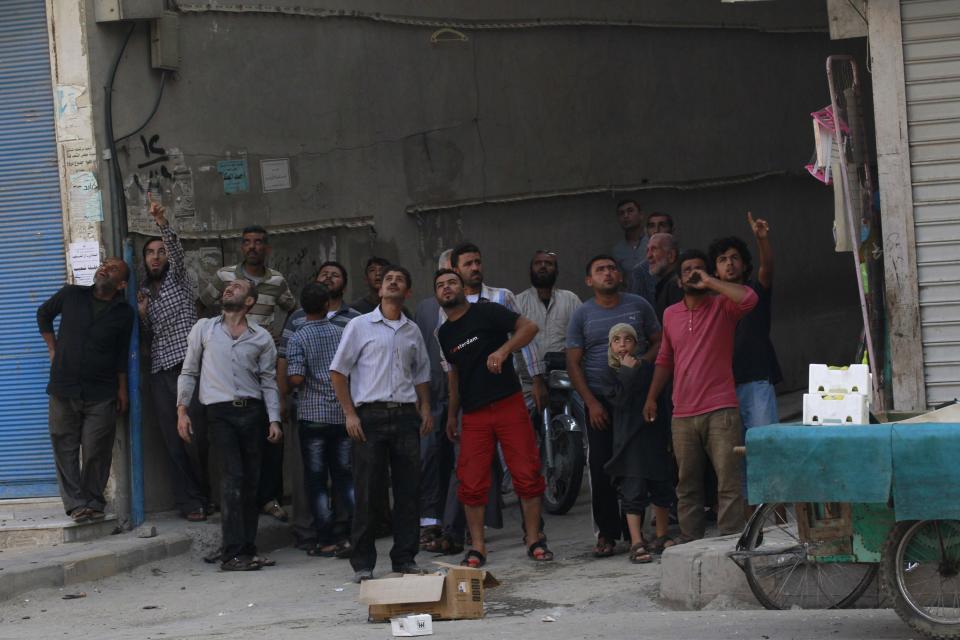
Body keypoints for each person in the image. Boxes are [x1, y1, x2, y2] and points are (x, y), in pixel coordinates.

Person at [435, 269, 553, 567]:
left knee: (526, 473)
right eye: (440, 286)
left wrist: (503, 351)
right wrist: (452, 415)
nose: (446, 288)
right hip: (473, 414)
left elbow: (529, 328)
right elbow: (454, 376)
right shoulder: (444, 334)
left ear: (463, 288)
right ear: (437, 296)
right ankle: (477, 547)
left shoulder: (487, 312)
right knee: (471, 482)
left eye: (451, 283)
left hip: (508, 404)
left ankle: (533, 538)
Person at [643, 249, 758, 541]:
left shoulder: (722, 306)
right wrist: (652, 396)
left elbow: (749, 298)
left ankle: (731, 539)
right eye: (688, 271)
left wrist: (711, 282)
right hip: (682, 413)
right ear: (679, 281)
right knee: (687, 484)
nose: (693, 274)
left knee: (728, 481)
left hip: (721, 408)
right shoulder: (670, 314)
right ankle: (690, 541)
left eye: (699, 269)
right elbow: (665, 359)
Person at [330, 265, 432, 583]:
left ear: (407, 292)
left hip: (404, 417)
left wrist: (425, 407)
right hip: (369, 418)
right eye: (388, 279)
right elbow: (338, 371)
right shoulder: (360, 326)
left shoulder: (412, 330)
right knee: (368, 492)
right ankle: (363, 563)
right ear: (379, 290)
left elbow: (421, 374)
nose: (392, 282)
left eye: (399, 280)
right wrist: (349, 414)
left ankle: (404, 558)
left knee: (407, 492)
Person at [177, 278, 283, 571]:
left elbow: (269, 381)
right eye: (227, 286)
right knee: (233, 479)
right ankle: (233, 554)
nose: (228, 288)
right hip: (219, 414)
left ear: (249, 301)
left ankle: (246, 549)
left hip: (252, 412)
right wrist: (182, 410)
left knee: (251, 483)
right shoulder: (205, 329)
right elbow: (189, 370)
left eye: (237, 287)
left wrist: (274, 418)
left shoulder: (260, 338)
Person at [566, 255, 661, 557]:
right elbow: (573, 362)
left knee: (639, 463)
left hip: (636, 401)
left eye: (611, 268)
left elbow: (660, 342)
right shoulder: (582, 314)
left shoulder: (638, 306)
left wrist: (639, 366)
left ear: (619, 275)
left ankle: (638, 531)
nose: (607, 273)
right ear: (589, 280)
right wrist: (591, 403)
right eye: (600, 270)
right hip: (601, 404)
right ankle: (606, 534)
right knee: (601, 466)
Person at [201, 225, 296, 523]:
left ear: (266, 248)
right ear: (241, 247)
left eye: (259, 243)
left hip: (263, 362)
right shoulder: (225, 277)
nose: (253, 247)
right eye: (248, 243)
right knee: (230, 437)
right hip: (229, 368)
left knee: (271, 429)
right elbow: (203, 303)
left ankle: (269, 498)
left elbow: (292, 309)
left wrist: (279, 338)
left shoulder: (277, 281)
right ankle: (231, 501)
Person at [38, 258, 134, 522]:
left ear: (122, 283)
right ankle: (76, 504)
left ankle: (93, 500)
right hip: (63, 386)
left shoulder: (124, 312)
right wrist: (52, 347)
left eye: (112, 268)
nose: (104, 268)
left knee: (96, 448)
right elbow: (43, 313)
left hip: (102, 391)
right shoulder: (71, 294)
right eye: (103, 264)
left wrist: (122, 389)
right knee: (64, 445)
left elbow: (121, 354)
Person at [278, 261, 360, 550]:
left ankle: (324, 539)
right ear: (327, 305)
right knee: (344, 477)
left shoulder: (298, 334)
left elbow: (296, 376)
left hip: (312, 416)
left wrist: (291, 383)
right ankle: (349, 534)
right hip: (341, 415)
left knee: (316, 481)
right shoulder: (342, 333)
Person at [137, 198, 208, 522]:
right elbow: (146, 337)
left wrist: (161, 222)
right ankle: (189, 502)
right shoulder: (143, 294)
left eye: (160, 252)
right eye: (150, 254)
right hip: (159, 372)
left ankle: (206, 495)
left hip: (187, 367)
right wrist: (142, 316)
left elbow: (177, 253)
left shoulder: (178, 280)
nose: (156, 257)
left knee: (194, 435)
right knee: (171, 440)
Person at [709, 213, 782, 507]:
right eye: (723, 259)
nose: (729, 263)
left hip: (756, 382)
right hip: (722, 389)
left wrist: (762, 239)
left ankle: (774, 515)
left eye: (734, 258)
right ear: (713, 268)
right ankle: (751, 520)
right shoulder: (711, 302)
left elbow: (768, 268)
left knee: (765, 450)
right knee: (734, 455)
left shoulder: (755, 292)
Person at [604, 324, 675, 564]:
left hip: (652, 437)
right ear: (610, 347)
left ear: (636, 344)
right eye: (616, 340)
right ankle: (636, 541)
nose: (622, 344)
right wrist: (626, 372)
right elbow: (620, 401)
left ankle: (661, 534)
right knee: (633, 491)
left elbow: (661, 398)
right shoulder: (611, 373)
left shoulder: (648, 369)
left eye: (628, 340)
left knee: (661, 486)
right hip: (628, 442)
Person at [415, 249, 455, 548]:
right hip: (432, 395)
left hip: (463, 396)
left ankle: (458, 520)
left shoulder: (472, 308)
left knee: (460, 459)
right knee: (430, 457)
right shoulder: (425, 309)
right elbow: (419, 355)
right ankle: (430, 519)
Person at [515, 250, 582, 408]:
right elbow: (514, 345)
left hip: (567, 379)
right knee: (527, 429)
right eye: (538, 263)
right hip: (529, 384)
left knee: (577, 426)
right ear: (531, 270)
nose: (543, 266)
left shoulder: (570, 299)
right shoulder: (518, 302)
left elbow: (582, 337)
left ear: (556, 271)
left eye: (549, 263)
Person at [612, 199, 656, 304]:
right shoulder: (617, 250)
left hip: (656, 297)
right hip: (632, 302)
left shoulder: (653, 242)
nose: (626, 216)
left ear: (641, 215)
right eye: (621, 213)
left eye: (630, 211)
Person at [647, 233, 683, 323]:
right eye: (647, 250)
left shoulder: (676, 284)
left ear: (671, 255)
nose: (649, 256)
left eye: (654, 249)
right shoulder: (667, 284)